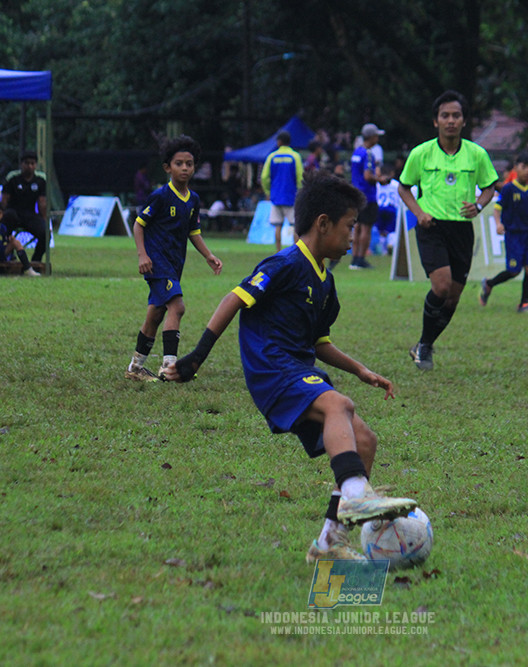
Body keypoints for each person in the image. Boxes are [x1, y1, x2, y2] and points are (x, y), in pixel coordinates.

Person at [163, 173, 418, 562]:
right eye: (349, 226)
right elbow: (234, 298)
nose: (353, 236)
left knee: (364, 440)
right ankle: (354, 496)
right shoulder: (285, 263)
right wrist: (197, 355)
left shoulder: (326, 283)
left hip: (298, 368)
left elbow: (319, 343)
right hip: (271, 368)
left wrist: (360, 370)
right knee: (339, 406)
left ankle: (330, 542)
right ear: (322, 223)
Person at [397, 90, 499, 370]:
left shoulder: (476, 154)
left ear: (464, 121)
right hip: (431, 227)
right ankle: (426, 347)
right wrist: (419, 213)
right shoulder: (421, 153)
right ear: (436, 121)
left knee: (453, 297)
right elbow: (403, 187)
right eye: (445, 116)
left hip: (462, 230)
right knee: (441, 286)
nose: (450, 121)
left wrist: (478, 205)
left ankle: (423, 343)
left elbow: (490, 186)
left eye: (456, 115)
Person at [125, 136, 222, 382]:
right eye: (179, 163)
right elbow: (138, 225)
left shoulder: (194, 200)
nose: (185, 168)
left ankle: (135, 367)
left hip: (174, 263)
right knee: (177, 307)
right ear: (168, 167)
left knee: (156, 314)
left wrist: (208, 255)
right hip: (157, 263)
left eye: (189, 164)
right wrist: (142, 255)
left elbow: (193, 232)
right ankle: (169, 368)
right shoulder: (160, 196)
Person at [479, 152, 528, 313]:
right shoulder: (508, 188)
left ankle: (524, 304)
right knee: (514, 271)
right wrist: (498, 224)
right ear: (516, 168)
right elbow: (497, 208)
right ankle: (489, 283)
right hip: (514, 235)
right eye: (523, 167)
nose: (527, 171)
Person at [1, 151, 49, 263]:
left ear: (36, 165)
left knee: (45, 234)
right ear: (21, 164)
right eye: (27, 163)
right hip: (13, 213)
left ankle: (36, 260)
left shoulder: (41, 179)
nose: (30, 166)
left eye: (32, 163)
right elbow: (4, 199)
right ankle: (7, 255)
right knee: (5, 223)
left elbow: (42, 202)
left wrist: (44, 220)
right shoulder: (13, 178)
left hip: (30, 214)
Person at [261, 130, 303, 253]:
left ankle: (278, 251)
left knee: (277, 226)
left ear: (279, 142)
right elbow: (300, 176)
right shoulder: (295, 156)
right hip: (291, 196)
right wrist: (300, 191)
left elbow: (264, 177)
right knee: (295, 226)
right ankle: (297, 252)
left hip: (276, 196)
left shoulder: (272, 156)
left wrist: (268, 190)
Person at [349, 123, 384, 269]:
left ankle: (354, 260)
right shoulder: (368, 154)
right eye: (376, 135)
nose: (378, 138)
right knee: (366, 228)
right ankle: (361, 259)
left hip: (355, 194)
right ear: (372, 137)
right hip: (367, 196)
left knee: (356, 227)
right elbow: (368, 176)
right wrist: (380, 180)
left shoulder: (356, 152)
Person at [0, 202, 41, 277]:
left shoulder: (3, 227)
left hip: (0, 251)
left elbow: (4, 240)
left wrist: (10, 240)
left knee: (16, 242)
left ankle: (27, 268)